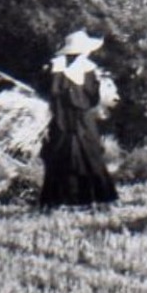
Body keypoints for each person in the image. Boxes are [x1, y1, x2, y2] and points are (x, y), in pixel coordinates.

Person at [39, 28, 119, 207]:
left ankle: (61, 201)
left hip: (61, 119)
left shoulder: (55, 68)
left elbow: (47, 92)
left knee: (61, 155)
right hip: (80, 120)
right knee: (88, 155)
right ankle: (92, 199)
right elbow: (92, 98)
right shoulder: (87, 69)